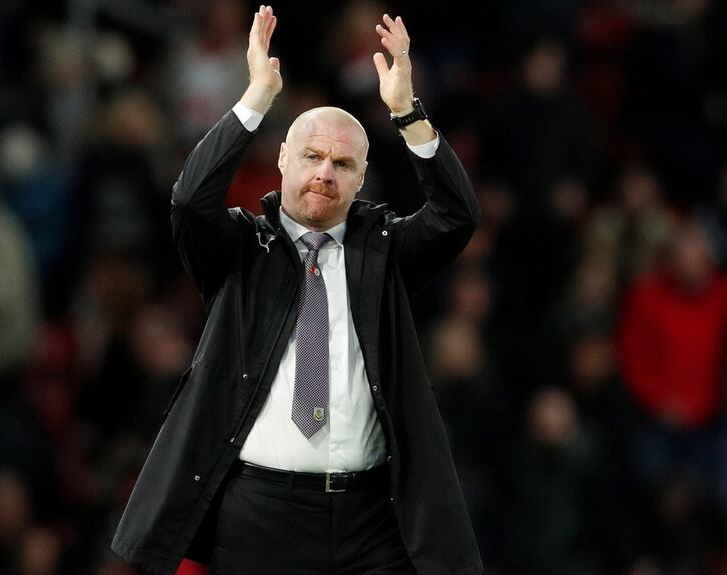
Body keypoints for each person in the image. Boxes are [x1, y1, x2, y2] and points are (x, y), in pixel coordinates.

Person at [111, 6, 483, 575]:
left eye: (341, 163)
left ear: (361, 177)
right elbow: (189, 201)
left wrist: (407, 113)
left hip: (370, 519)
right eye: (311, 156)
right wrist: (257, 98)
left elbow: (457, 215)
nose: (324, 174)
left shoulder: (383, 252)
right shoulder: (238, 250)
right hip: (259, 516)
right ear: (283, 158)